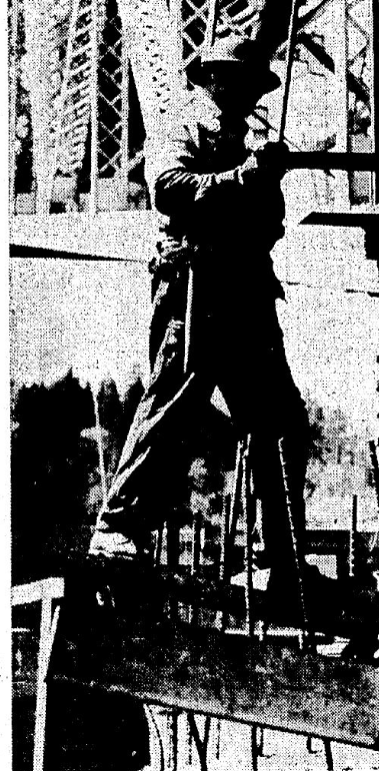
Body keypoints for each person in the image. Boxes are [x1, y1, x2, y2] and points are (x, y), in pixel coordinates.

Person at [89, 35, 310, 600]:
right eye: (235, 82)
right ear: (212, 81)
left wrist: (262, 183)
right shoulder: (182, 129)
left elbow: (269, 222)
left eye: (252, 85)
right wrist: (247, 180)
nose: (243, 94)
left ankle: (284, 563)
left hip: (247, 295)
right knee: (173, 404)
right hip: (195, 288)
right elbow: (170, 190)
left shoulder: (249, 143)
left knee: (280, 422)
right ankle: (118, 532)